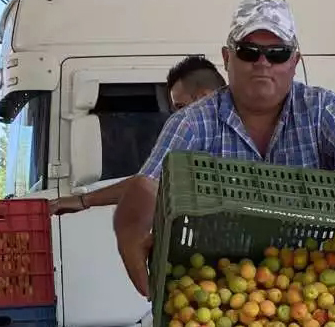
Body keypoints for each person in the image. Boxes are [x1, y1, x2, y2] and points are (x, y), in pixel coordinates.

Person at [113, 0, 335, 298]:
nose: (262, 63)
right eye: (249, 51)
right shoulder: (193, 122)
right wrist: (130, 228)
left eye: (277, 53)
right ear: (226, 57)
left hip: (307, 287)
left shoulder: (320, 110)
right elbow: (149, 186)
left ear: (295, 61)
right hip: (220, 286)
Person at [49, 56, 227, 216]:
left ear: (205, 96)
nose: (177, 116)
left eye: (181, 107)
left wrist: (83, 201)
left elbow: (148, 183)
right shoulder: (248, 120)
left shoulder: (189, 123)